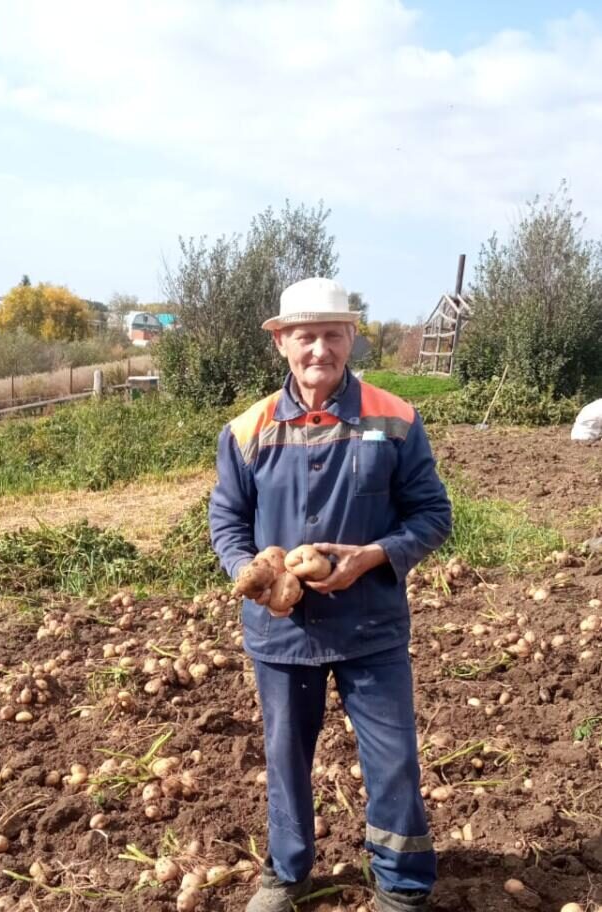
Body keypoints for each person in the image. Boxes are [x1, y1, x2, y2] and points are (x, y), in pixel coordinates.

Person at [208, 277, 452, 912]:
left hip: (371, 625)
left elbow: (432, 515)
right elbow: (227, 519)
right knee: (286, 757)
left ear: (351, 338)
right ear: (282, 343)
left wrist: (371, 556)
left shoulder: (395, 419)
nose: (320, 349)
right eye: (306, 336)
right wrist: (250, 571)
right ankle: (287, 874)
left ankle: (401, 884)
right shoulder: (247, 429)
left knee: (393, 759)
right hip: (282, 630)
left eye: (332, 335)